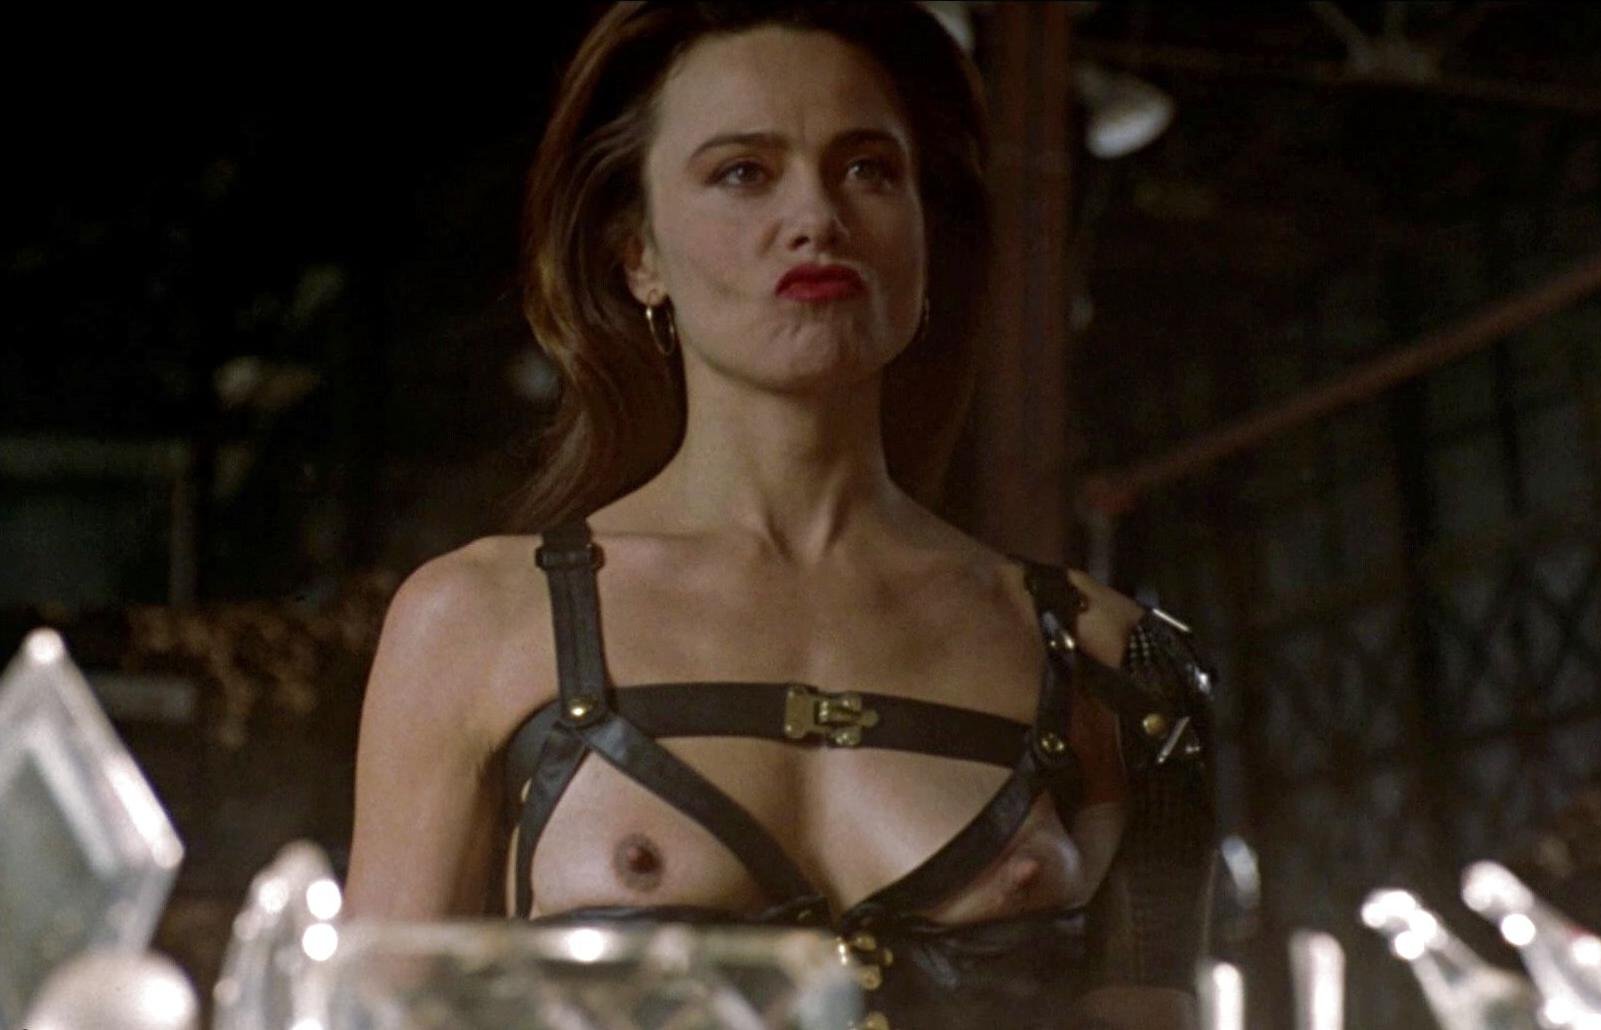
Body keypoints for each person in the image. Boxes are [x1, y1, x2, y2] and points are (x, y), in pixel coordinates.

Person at [342, 4, 1216, 1027]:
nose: (817, 217)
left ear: (926, 236)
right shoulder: (478, 624)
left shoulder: (1121, 667)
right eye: (744, 172)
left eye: (869, 170)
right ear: (639, 255)